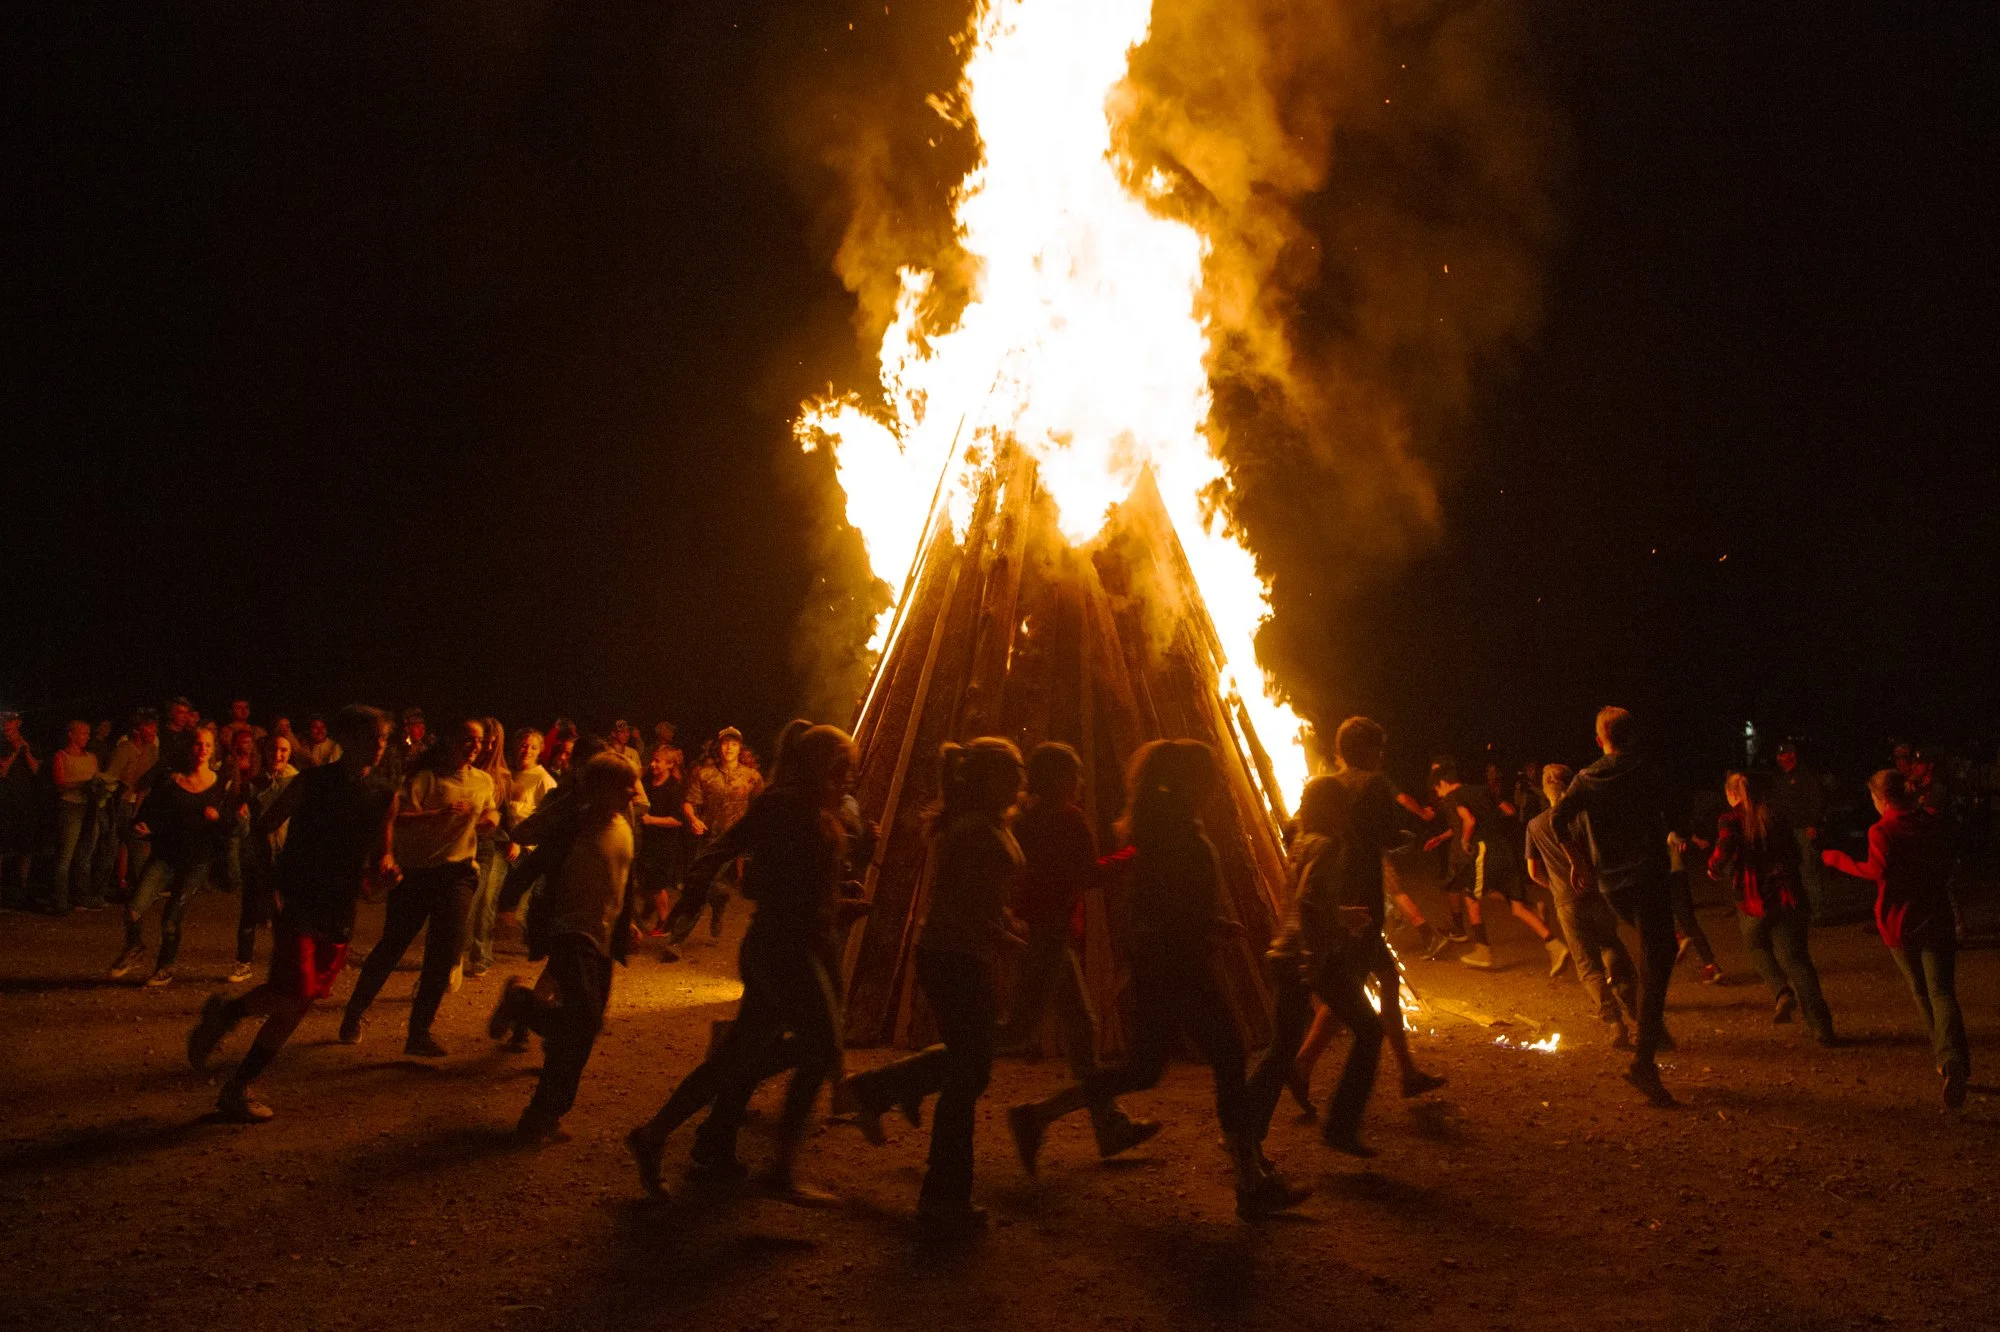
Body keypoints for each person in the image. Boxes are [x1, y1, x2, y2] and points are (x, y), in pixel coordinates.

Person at [1000, 739, 1311, 1220]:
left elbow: (1160, 904)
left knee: (1144, 1069)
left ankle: (1037, 1116)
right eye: (1208, 777)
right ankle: (1250, 1179)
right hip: (1179, 967)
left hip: (1166, 964)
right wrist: (1198, 931)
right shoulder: (1175, 834)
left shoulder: (1166, 828)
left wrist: (1206, 924)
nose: (1215, 786)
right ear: (1190, 782)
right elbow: (1161, 908)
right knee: (1228, 1059)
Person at [627, 725, 857, 1206]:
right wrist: (692, 895)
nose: (848, 773)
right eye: (841, 763)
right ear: (819, 762)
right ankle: (782, 1170)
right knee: (818, 1048)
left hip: (798, 941)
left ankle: (654, 1134)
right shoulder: (785, 804)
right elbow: (726, 849)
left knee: (740, 1056)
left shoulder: (816, 805)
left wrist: (837, 899)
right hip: (785, 945)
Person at [835, 740, 1030, 1234]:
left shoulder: (987, 825)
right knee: (969, 1076)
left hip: (962, 952)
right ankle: (943, 1198)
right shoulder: (970, 831)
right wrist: (1006, 938)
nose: (1018, 782)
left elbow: (982, 898)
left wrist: (1002, 926)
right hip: (954, 956)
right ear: (984, 779)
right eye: (1010, 773)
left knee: (971, 1061)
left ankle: (875, 1089)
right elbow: (962, 905)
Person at [186, 706, 396, 1121]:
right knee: (294, 993)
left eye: (383, 739)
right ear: (346, 739)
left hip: (339, 906)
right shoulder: (312, 782)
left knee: (300, 1002)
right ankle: (238, 1078)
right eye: (370, 737)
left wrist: (385, 870)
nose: (378, 746)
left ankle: (229, 1029)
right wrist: (268, 886)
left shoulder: (385, 794)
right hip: (298, 897)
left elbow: (380, 854)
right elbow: (264, 828)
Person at [992, 743, 1157, 1160]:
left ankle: (1109, 1127)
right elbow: (1087, 875)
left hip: (1044, 930)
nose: (1079, 783)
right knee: (1015, 1030)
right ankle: (897, 1081)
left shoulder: (1025, 819)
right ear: (1063, 779)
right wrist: (1134, 853)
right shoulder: (1066, 819)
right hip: (1050, 933)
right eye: (1075, 775)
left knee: (1082, 1028)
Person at [1286, 718, 1448, 1108]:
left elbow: (1296, 829)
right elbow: (1389, 835)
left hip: (1336, 893)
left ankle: (1404, 1073)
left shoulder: (1325, 783)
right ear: (1368, 750)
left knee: (1368, 984)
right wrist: (1408, 838)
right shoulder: (1372, 784)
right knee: (1356, 991)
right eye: (1378, 748)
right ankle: (1303, 1067)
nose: (1381, 756)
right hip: (1359, 901)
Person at [488, 752, 639, 1142]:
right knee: (584, 1021)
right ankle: (522, 1004)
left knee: (582, 1029)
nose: (632, 792)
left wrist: (628, 922)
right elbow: (532, 859)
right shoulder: (574, 824)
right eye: (624, 785)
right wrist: (507, 899)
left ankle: (542, 1115)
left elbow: (622, 875)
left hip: (603, 937)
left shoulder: (626, 822)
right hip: (571, 931)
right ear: (599, 789)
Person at [338, 718, 497, 1056]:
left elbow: (491, 810)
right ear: (451, 741)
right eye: (468, 739)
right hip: (418, 874)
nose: (475, 746)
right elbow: (394, 816)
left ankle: (419, 1032)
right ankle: (353, 1013)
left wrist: (492, 820)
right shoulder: (425, 779)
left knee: (442, 955)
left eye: (480, 742)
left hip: (458, 874)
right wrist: (437, 814)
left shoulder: (483, 781)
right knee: (392, 947)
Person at [1550, 706, 1679, 1107]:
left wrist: (1577, 861)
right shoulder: (1647, 770)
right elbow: (1673, 808)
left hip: (1612, 884)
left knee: (1655, 952)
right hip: (1647, 875)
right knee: (1658, 955)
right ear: (1632, 734)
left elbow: (1558, 819)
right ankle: (1644, 1058)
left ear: (1599, 740)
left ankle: (1649, 1042)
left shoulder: (1587, 779)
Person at [1824, 770, 1966, 1107]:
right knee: (1942, 992)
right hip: (1936, 917)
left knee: (1921, 990)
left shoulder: (1883, 830)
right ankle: (1951, 1059)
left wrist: (1838, 860)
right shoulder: (1933, 821)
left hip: (1899, 924)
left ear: (1883, 799)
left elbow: (1876, 871)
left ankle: (1944, 1059)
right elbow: (1948, 861)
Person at [1710, 771, 1835, 1044]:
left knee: (1756, 947)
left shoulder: (1730, 819)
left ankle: (1781, 991)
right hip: (1786, 896)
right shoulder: (1776, 815)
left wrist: (1714, 869)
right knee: (1798, 960)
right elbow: (1796, 853)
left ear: (1731, 794)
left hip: (1753, 899)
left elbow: (1723, 851)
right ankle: (1822, 1028)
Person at [112, 727, 239, 987]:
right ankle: (135, 945)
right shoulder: (171, 782)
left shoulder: (219, 787)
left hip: (197, 859)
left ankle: (164, 967)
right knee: (134, 908)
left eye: (207, 744)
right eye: (197, 744)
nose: (202, 749)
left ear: (212, 748)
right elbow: (148, 815)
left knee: (171, 918)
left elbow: (229, 829)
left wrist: (218, 820)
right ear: (188, 747)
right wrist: (143, 829)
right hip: (166, 854)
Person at [1526, 763, 1640, 1047]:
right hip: (1598, 894)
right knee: (1610, 943)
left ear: (1545, 788)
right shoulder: (1587, 817)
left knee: (1587, 965)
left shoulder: (1536, 825)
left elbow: (1533, 871)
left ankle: (1614, 1024)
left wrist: (1554, 886)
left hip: (1567, 901)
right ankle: (1631, 1002)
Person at [1433, 759, 1567, 974]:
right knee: (1516, 906)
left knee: (1470, 895)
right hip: (1504, 849)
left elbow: (1468, 821)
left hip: (1484, 850)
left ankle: (1483, 951)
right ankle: (1555, 946)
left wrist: (1466, 841)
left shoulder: (1453, 796)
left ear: (1442, 784)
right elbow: (1508, 810)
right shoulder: (1481, 790)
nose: (1439, 795)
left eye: (1437, 790)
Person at [667, 726, 764, 943]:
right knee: (699, 882)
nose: (729, 747)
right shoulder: (705, 774)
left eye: (734, 743)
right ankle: (719, 898)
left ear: (740, 748)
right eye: (725, 743)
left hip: (737, 839)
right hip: (710, 838)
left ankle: (676, 940)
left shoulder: (752, 777)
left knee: (701, 884)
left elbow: (762, 806)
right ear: (718, 747)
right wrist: (693, 819)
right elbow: (689, 803)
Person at [230, 733, 299, 983]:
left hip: (288, 853)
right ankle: (243, 961)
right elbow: (240, 818)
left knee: (289, 912)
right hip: (258, 854)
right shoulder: (254, 785)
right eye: (273, 750)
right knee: (250, 906)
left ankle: (290, 965)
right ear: (265, 753)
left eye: (283, 750)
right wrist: (242, 814)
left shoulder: (296, 782)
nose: (278, 756)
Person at [460, 717, 513, 980]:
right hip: (464, 840)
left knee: (484, 902)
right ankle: (456, 952)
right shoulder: (466, 769)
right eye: (485, 740)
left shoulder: (502, 775)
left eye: (494, 741)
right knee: (464, 902)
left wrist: (514, 839)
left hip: (490, 842)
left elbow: (505, 813)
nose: (488, 746)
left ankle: (479, 955)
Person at [101, 709, 161, 899]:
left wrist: (141, 807)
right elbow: (111, 779)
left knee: (137, 845)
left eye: (154, 730)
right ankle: (101, 890)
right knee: (112, 847)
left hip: (140, 803)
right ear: (137, 731)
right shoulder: (124, 750)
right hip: (120, 803)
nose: (153, 734)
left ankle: (140, 890)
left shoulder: (152, 750)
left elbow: (149, 779)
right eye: (149, 730)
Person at [637, 744, 690, 946]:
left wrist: (652, 820)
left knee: (657, 886)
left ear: (669, 764)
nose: (652, 764)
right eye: (652, 760)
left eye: (657, 761)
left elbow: (678, 820)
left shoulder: (673, 789)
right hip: (647, 843)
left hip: (664, 845)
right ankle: (654, 916)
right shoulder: (647, 782)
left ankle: (665, 924)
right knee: (647, 883)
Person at [1773, 742, 1830, 917]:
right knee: (1791, 870)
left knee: (1808, 869)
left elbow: (1816, 800)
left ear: (1793, 756)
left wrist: (1812, 824)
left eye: (1786, 755)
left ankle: (1818, 912)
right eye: (1780, 755)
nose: (1782, 758)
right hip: (1788, 830)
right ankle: (1800, 907)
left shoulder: (1806, 776)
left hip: (1804, 829)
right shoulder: (1780, 778)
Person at [50, 721, 101, 914]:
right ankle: (60, 900)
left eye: (88, 734)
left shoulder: (92, 757)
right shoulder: (61, 756)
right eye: (83, 733)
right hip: (70, 807)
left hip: (89, 808)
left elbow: (97, 780)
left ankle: (82, 896)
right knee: (66, 855)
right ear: (71, 734)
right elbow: (60, 784)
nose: (87, 737)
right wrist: (83, 784)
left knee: (85, 854)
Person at [1666, 826, 1725, 985]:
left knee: (1655, 915)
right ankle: (1712, 966)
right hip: (1678, 873)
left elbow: (1673, 835)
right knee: (1688, 920)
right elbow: (1677, 831)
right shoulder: (1663, 819)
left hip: (1665, 876)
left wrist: (1685, 839)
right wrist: (1696, 840)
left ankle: (1678, 938)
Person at [0, 712, 40, 906]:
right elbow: (3, 772)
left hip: (25, 802)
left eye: (10, 721)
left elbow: (36, 770)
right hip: (5, 801)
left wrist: (26, 751)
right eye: (3, 721)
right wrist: (15, 752)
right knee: (3, 846)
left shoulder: (28, 744)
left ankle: (22, 887)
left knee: (26, 846)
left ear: (18, 723)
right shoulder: (2, 745)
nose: (6, 724)